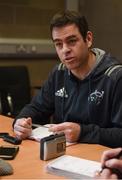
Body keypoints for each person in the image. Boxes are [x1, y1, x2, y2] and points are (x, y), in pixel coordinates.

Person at [13, 10, 122, 147]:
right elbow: (36, 108)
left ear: (88, 39)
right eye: (58, 44)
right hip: (63, 155)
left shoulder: (116, 77)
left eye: (71, 41)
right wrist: (20, 122)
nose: (65, 50)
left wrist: (82, 132)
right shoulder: (59, 73)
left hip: (99, 159)